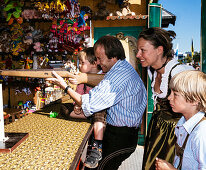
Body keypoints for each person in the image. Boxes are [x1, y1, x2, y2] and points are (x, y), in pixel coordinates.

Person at [47, 35, 147, 169]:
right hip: (120, 134)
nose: (98, 63)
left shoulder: (118, 75)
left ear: (113, 56)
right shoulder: (120, 69)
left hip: (121, 137)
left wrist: (64, 87)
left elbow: (88, 102)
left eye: (100, 58)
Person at [136, 27, 194, 170]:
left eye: (143, 50)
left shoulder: (179, 73)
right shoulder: (151, 71)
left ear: (159, 50)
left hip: (174, 136)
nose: (138, 55)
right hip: (157, 129)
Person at [60, 47, 107, 168]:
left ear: (94, 63)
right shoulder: (82, 77)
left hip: (97, 111)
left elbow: (98, 100)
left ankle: (98, 146)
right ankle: (87, 116)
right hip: (85, 109)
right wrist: (76, 106)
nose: (79, 65)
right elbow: (79, 95)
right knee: (63, 108)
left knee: (98, 110)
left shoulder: (102, 77)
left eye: (82, 62)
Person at [155, 70, 206, 170]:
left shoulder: (201, 134)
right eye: (170, 92)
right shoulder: (183, 123)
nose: (169, 97)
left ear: (194, 100)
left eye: (175, 94)